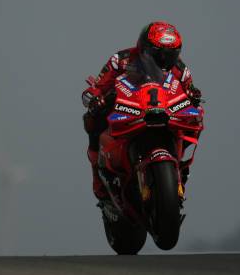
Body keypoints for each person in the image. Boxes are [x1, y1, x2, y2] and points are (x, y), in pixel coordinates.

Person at [81, 21, 202, 200]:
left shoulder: (180, 69)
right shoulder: (120, 60)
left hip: (163, 111)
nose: (164, 61)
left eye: (170, 55)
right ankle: (99, 177)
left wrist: (194, 95)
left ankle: (180, 166)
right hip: (129, 108)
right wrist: (94, 98)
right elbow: (98, 87)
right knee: (92, 118)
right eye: (158, 55)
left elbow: (191, 90)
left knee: (197, 114)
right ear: (144, 47)